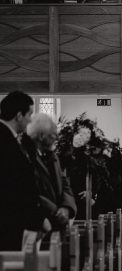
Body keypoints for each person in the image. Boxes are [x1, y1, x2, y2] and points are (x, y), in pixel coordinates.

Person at [0, 91, 47, 249]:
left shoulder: (9, 138)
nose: (30, 120)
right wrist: (36, 219)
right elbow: (16, 186)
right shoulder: (5, 141)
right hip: (10, 222)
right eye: (30, 114)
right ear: (19, 115)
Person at [26, 113, 76, 232]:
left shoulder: (53, 156)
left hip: (58, 222)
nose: (57, 138)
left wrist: (66, 207)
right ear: (42, 136)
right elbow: (29, 191)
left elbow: (64, 183)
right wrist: (55, 211)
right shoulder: (25, 156)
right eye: (53, 135)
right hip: (39, 223)